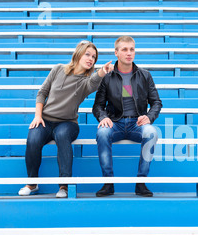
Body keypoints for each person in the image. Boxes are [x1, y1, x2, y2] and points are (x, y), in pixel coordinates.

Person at [18, 40, 114, 198]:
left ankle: (64, 185)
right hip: (46, 120)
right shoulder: (58, 69)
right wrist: (37, 116)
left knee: (62, 136)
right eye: (87, 54)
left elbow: (95, 80)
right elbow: (42, 92)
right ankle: (32, 183)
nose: (91, 58)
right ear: (78, 54)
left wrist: (103, 69)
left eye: (94, 57)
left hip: (68, 123)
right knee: (33, 138)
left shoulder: (86, 82)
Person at [92, 36, 162, 197]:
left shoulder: (144, 75)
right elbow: (97, 105)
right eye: (124, 49)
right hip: (115, 123)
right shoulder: (107, 77)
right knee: (102, 133)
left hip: (137, 123)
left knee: (152, 133)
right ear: (116, 53)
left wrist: (149, 117)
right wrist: (103, 117)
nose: (129, 53)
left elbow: (156, 102)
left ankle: (141, 182)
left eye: (132, 49)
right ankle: (108, 183)